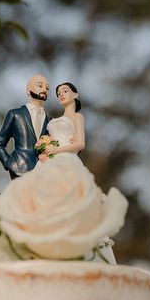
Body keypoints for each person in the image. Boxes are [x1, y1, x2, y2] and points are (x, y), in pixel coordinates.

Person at [40, 82, 116, 265]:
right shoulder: (53, 119)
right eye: (58, 93)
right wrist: (45, 148)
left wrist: (56, 150)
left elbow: (80, 144)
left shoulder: (77, 117)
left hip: (67, 160)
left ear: (75, 94)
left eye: (65, 91)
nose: (61, 94)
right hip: (50, 162)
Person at [0, 74, 51, 179]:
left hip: (43, 173)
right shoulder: (15, 114)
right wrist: (8, 163)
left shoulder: (50, 121)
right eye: (40, 86)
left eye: (47, 88)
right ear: (28, 90)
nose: (44, 89)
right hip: (19, 168)